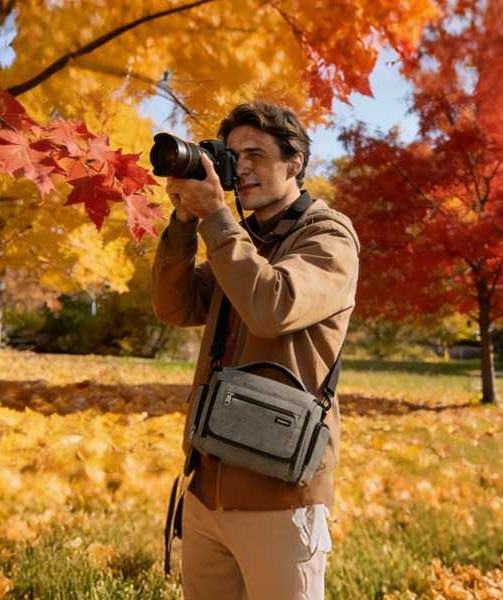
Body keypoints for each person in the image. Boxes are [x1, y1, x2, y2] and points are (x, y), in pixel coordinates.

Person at [152, 101, 359, 599]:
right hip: (207, 487)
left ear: (295, 164)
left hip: (279, 493)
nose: (241, 167)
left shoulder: (328, 236)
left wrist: (216, 217)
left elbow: (273, 305)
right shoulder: (243, 241)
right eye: (233, 155)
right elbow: (175, 306)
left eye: (257, 154)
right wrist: (184, 222)